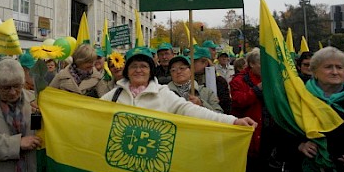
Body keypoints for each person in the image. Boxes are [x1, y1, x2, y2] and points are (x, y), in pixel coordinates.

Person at [101, 47, 257, 128]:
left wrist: (233, 122)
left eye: (143, 66)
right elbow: (89, 112)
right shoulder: (115, 95)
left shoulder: (163, 94)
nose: (139, 70)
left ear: (150, 71)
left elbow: (194, 111)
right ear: (127, 71)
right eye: (134, 66)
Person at [293, 47, 344, 172]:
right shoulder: (300, 96)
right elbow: (281, 129)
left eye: (339, 67)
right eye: (328, 67)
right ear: (314, 72)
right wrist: (299, 145)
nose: (335, 72)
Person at [230, 47, 275, 172]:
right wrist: (257, 90)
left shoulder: (273, 79)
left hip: (269, 131)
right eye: (261, 64)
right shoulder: (239, 81)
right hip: (250, 131)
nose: (265, 68)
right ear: (251, 64)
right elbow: (239, 101)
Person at [193, 46, 232, 114]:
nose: (190, 64)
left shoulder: (220, 82)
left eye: (194, 61)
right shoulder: (188, 81)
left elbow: (226, 109)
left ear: (205, 63)